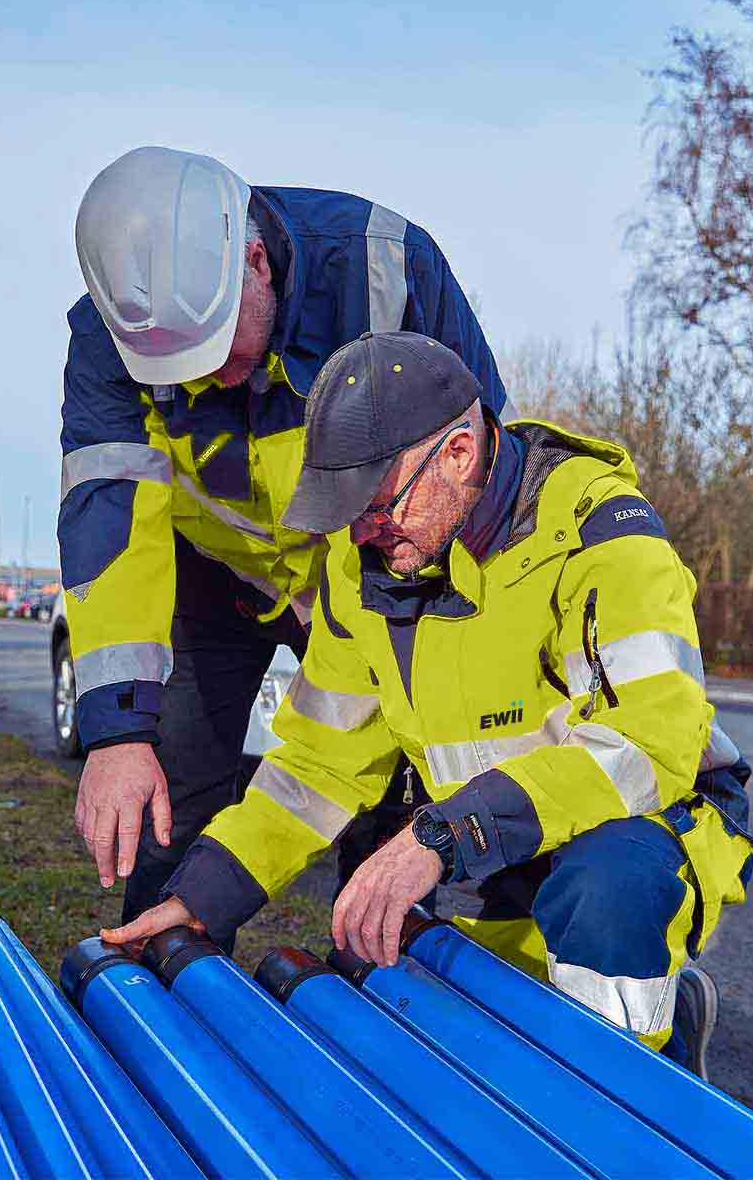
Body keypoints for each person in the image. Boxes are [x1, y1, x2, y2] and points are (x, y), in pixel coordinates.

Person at [105, 330, 753, 1078]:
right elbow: (319, 764)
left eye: (376, 504)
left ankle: (642, 1097)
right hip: (493, 843)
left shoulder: (599, 531)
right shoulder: (365, 569)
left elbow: (650, 740)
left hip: (641, 824)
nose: (360, 531)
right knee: (488, 1027)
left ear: (456, 453)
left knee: (606, 906)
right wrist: (203, 895)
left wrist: (445, 835)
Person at [60, 147, 511, 942]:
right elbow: (110, 525)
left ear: (256, 262)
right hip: (218, 579)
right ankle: (163, 985)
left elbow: (471, 469)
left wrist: (449, 636)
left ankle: (382, 991)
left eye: (219, 352)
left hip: (371, 575)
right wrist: (118, 732)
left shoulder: (387, 271)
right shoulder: (114, 331)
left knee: (385, 801)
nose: (214, 381)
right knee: (173, 789)